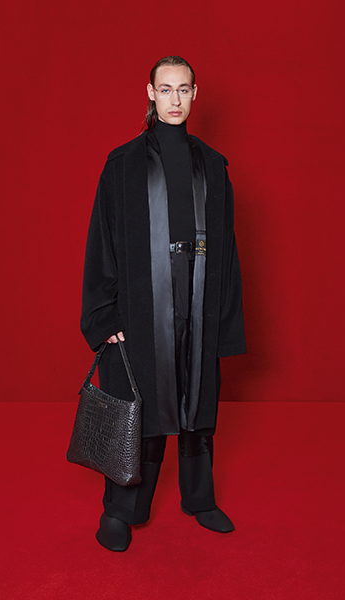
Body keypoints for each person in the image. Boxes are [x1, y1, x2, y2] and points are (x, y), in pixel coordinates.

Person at [80, 56, 246, 552]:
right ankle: (120, 511)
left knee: (196, 402)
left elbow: (228, 250)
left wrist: (223, 320)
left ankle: (199, 498)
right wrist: (104, 314)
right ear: (150, 93)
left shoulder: (213, 167)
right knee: (144, 407)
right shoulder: (123, 165)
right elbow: (102, 241)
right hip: (141, 304)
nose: (175, 99)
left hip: (197, 295)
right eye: (166, 89)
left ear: (196, 94)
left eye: (184, 89)